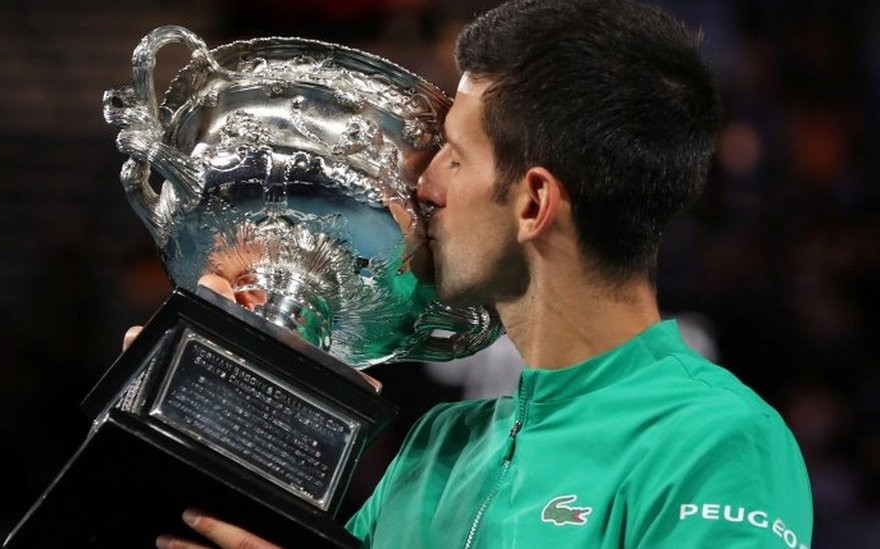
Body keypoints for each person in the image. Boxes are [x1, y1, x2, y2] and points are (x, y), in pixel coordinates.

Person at [152, 0, 813, 547]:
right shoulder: (438, 450)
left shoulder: (715, 440)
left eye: (455, 155)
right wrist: (213, 384)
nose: (423, 184)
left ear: (533, 203)